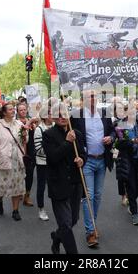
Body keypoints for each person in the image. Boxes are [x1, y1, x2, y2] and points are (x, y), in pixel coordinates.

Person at [70, 89, 115, 247]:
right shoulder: (77, 115)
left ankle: (92, 224)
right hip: (87, 161)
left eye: (95, 96)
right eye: (90, 96)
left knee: (97, 195)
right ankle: (90, 231)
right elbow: (69, 134)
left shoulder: (105, 113)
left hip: (102, 160)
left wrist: (111, 138)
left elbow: (113, 130)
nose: (93, 98)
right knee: (88, 196)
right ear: (83, 99)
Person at [42, 102, 87, 254]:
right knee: (66, 224)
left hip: (75, 182)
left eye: (64, 113)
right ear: (53, 117)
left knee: (73, 220)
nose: (62, 117)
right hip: (59, 184)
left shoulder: (77, 133)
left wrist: (81, 160)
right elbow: (53, 157)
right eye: (58, 114)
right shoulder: (48, 135)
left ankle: (56, 237)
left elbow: (82, 154)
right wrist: (67, 142)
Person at [0, 102, 29, 221]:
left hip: (17, 159)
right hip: (4, 159)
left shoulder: (18, 124)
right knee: (2, 186)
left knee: (17, 185)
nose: (13, 111)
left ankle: (15, 210)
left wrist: (25, 134)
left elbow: (24, 140)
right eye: (10, 109)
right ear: (4, 112)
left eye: (13, 109)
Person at [113, 101, 138, 226]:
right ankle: (135, 212)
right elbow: (117, 144)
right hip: (127, 160)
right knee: (131, 185)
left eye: (135, 110)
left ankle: (131, 199)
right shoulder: (120, 124)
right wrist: (131, 141)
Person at [34, 105, 54, 221]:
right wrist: (53, 150)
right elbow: (38, 149)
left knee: (55, 185)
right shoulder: (39, 129)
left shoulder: (56, 127)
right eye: (51, 113)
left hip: (55, 162)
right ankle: (41, 209)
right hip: (42, 163)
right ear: (45, 116)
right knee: (41, 186)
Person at [16, 102, 36, 207]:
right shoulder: (15, 123)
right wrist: (29, 123)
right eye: (21, 110)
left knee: (29, 175)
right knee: (19, 175)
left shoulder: (31, 122)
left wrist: (34, 125)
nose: (23, 111)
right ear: (17, 112)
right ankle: (19, 192)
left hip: (31, 152)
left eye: (24, 109)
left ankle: (27, 196)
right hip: (20, 152)